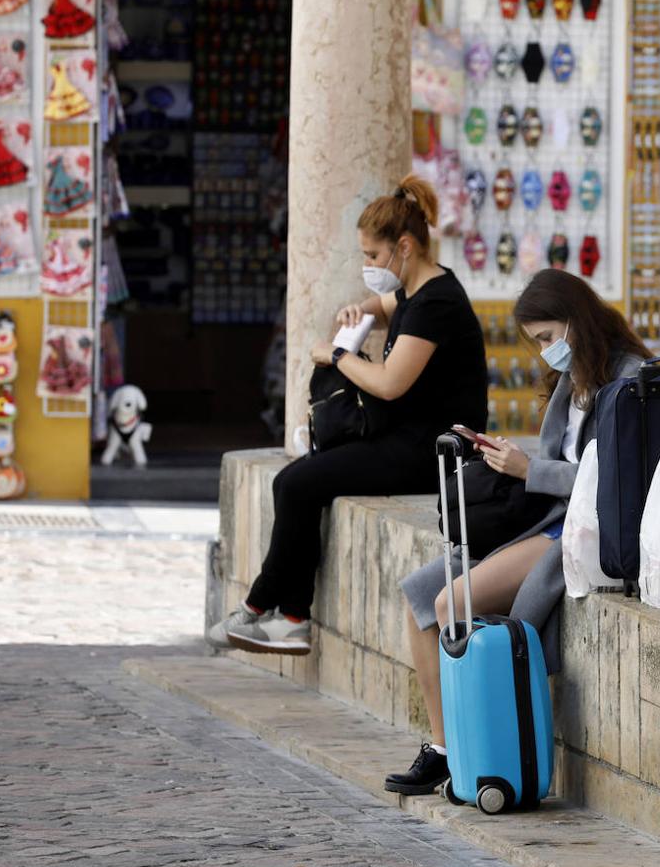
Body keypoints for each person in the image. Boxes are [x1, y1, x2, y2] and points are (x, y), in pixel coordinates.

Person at [383, 269, 652, 796]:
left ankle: (482, 750)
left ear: (578, 321)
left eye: (549, 337)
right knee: (420, 593)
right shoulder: (575, 378)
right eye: (538, 342)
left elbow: (619, 483)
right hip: (543, 518)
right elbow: (557, 456)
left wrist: (531, 471)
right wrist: (504, 456)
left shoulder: (630, 379)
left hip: (580, 529)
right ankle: (443, 749)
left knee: (451, 604)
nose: (546, 350)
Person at [205, 174, 488, 655]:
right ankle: (286, 614)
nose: (368, 266)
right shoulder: (420, 290)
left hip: (430, 451)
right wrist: (360, 311)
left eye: (373, 257)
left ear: (404, 247)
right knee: (299, 478)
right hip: (405, 437)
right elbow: (384, 302)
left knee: (296, 483)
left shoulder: (436, 303)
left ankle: (272, 610)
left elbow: (389, 382)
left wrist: (335, 355)